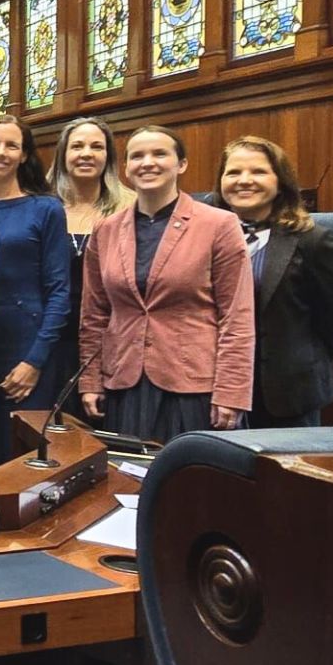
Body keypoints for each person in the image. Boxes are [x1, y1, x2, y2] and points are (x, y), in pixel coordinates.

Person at [81, 126, 255, 439]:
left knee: (191, 484)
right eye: (137, 156)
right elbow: (94, 315)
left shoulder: (218, 224)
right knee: (129, 481)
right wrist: (90, 380)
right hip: (125, 382)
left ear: (181, 164)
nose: (148, 162)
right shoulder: (105, 230)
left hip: (193, 384)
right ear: (126, 168)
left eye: (160, 153)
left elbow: (237, 317)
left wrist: (231, 391)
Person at [214, 136, 333, 428]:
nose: (244, 180)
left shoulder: (313, 240)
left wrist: (298, 362)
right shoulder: (206, 238)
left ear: (281, 182)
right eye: (234, 172)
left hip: (287, 394)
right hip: (218, 388)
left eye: (258, 171)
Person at [0, 115, 70, 463]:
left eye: (12, 145)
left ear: (24, 156)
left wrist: (34, 360)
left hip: (25, 348)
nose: (1, 152)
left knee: (21, 454)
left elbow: (59, 290)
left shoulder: (46, 209)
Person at [50, 117, 132, 413]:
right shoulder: (42, 207)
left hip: (111, 342)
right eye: (77, 146)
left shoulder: (131, 208)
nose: (87, 153)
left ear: (108, 156)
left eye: (97, 147)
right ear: (63, 155)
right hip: (53, 342)